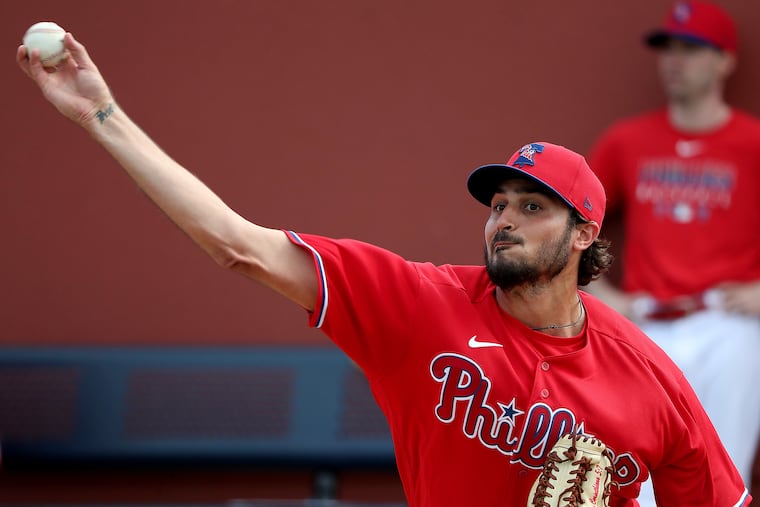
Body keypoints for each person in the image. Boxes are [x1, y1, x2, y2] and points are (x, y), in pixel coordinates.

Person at [16, 31, 751, 507]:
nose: (505, 221)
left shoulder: (650, 377)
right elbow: (235, 243)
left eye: (533, 208)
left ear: (587, 232)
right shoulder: (417, 302)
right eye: (499, 203)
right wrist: (102, 116)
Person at [586, 1, 760, 505]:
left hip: (727, 322)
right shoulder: (627, 140)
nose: (674, 61)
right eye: (668, 49)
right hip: (644, 323)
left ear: (725, 60)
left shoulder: (752, 143)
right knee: (630, 469)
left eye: (692, 49)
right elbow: (573, 218)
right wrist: (598, 288)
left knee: (722, 467)